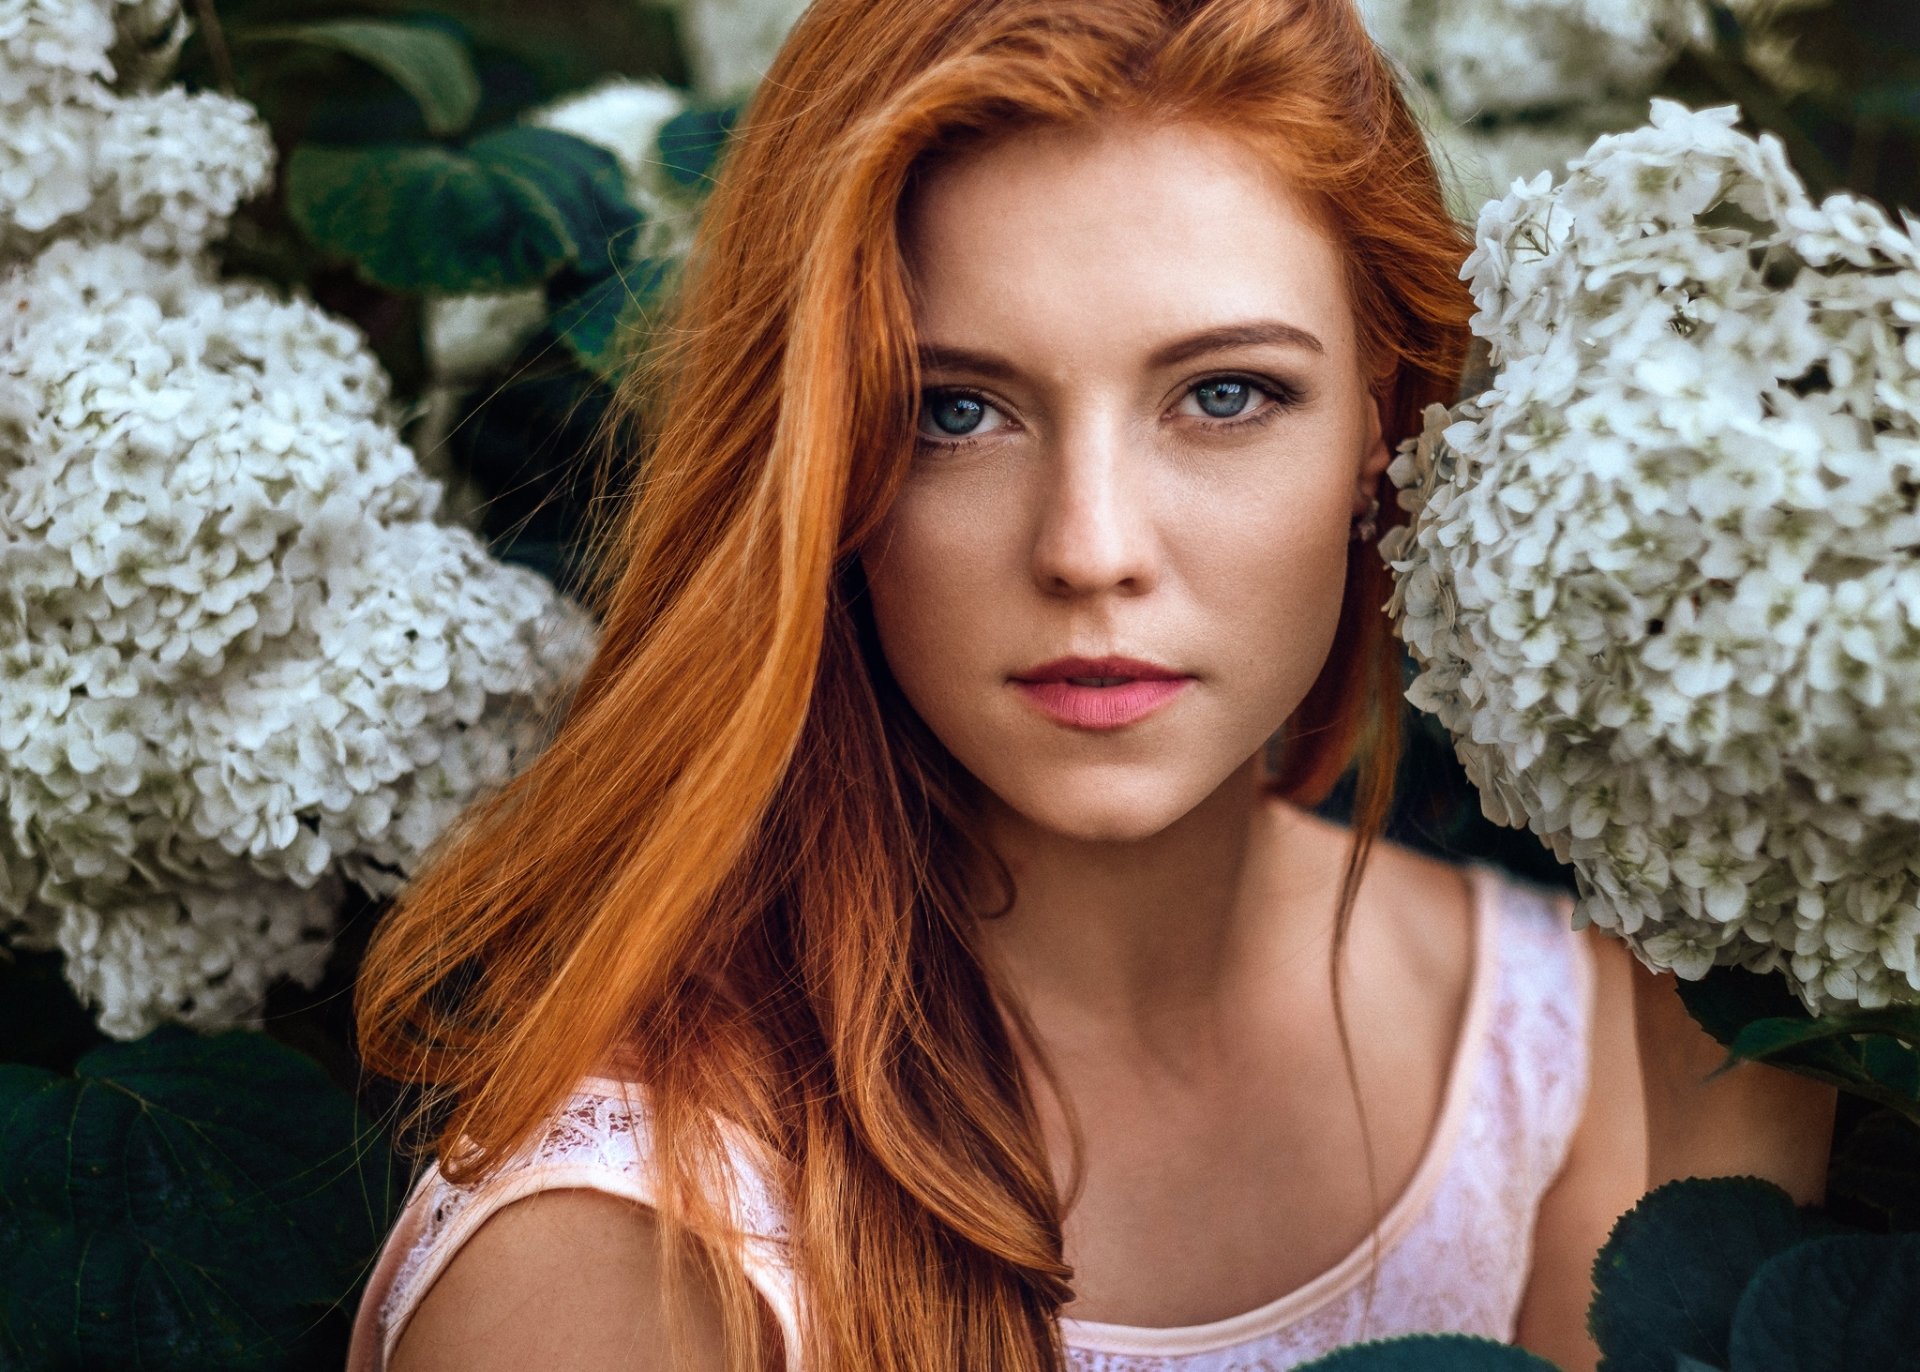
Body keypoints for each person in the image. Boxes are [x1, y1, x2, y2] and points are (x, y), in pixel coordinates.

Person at [347, 2, 1837, 1369]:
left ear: (1389, 427)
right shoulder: (623, 1265)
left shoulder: (1577, 1043)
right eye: (959, 412)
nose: (1091, 550)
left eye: (1225, 394)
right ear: (821, 464)